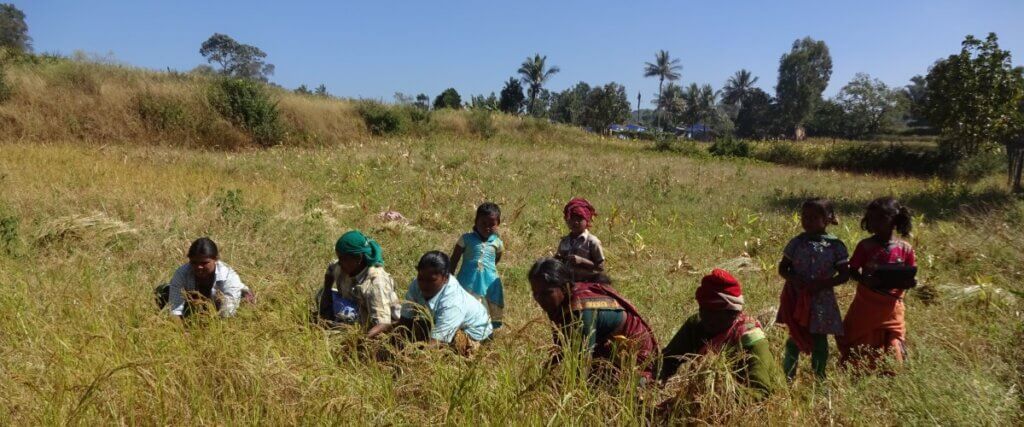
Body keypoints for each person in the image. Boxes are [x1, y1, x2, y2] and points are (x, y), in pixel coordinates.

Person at [528, 257, 658, 380]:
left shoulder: (580, 310)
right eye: (536, 294)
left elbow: (583, 363)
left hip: (634, 351)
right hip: (606, 344)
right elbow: (562, 346)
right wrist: (544, 374)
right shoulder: (556, 304)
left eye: (546, 293)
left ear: (564, 288)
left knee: (609, 384)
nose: (539, 299)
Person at [660, 269, 781, 397]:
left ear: (732, 314)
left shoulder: (751, 338)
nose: (704, 316)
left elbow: (760, 393)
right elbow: (668, 359)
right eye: (702, 309)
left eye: (712, 313)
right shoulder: (698, 325)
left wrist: (715, 390)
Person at [839, 197, 917, 370]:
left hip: (892, 305)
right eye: (872, 219)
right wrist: (864, 280)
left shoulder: (905, 248)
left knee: (893, 340)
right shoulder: (865, 246)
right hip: (867, 303)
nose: (875, 223)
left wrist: (910, 282)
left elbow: (911, 273)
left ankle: (891, 372)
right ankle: (858, 370)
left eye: (881, 219)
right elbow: (853, 269)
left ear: (894, 220)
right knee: (862, 338)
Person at [776, 198, 850, 380]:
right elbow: (782, 268)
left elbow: (844, 275)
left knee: (820, 339)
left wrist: (822, 284)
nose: (807, 221)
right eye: (804, 217)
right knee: (795, 336)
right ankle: (789, 375)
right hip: (796, 296)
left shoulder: (836, 246)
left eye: (813, 217)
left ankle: (819, 376)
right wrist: (794, 279)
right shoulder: (796, 243)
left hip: (821, 299)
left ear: (828, 218)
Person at [399, 251, 494, 356]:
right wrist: (397, 345)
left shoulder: (453, 302)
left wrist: (411, 359)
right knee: (417, 327)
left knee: (453, 348)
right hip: (441, 322)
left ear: (445, 278)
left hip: (474, 334)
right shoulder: (416, 284)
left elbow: (438, 342)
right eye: (421, 278)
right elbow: (404, 321)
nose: (424, 285)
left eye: (431, 280)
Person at [317, 230, 400, 338]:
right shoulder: (343, 266)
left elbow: (382, 325)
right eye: (339, 258)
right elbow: (331, 269)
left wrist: (357, 342)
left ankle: (344, 330)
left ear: (358, 259)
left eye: (343, 259)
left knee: (348, 318)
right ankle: (333, 323)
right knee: (321, 294)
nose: (340, 263)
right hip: (354, 307)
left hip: (379, 323)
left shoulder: (376, 283)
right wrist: (326, 293)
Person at [156, 237, 255, 319]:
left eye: (204, 263)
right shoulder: (181, 273)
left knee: (246, 300)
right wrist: (183, 334)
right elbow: (175, 311)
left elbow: (227, 314)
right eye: (194, 262)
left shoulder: (229, 276)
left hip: (227, 306)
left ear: (215, 259)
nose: (199, 267)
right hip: (196, 303)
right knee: (163, 292)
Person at [450, 202, 505, 328]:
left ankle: (484, 334)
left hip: (489, 283)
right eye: (483, 223)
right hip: (467, 281)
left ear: (498, 224)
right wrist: (449, 277)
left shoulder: (497, 243)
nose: (487, 228)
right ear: (476, 221)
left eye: (492, 224)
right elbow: (454, 259)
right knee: (466, 307)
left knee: (486, 308)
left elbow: (496, 259)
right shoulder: (466, 239)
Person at [555, 198, 605, 281]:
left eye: (579, 219)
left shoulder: (592, 241)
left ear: (587, 220)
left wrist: (582, 261)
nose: (575, 222)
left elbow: (600, 267)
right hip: (567, 281)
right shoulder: (565, 241)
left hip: (587, 282)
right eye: (571, 219)